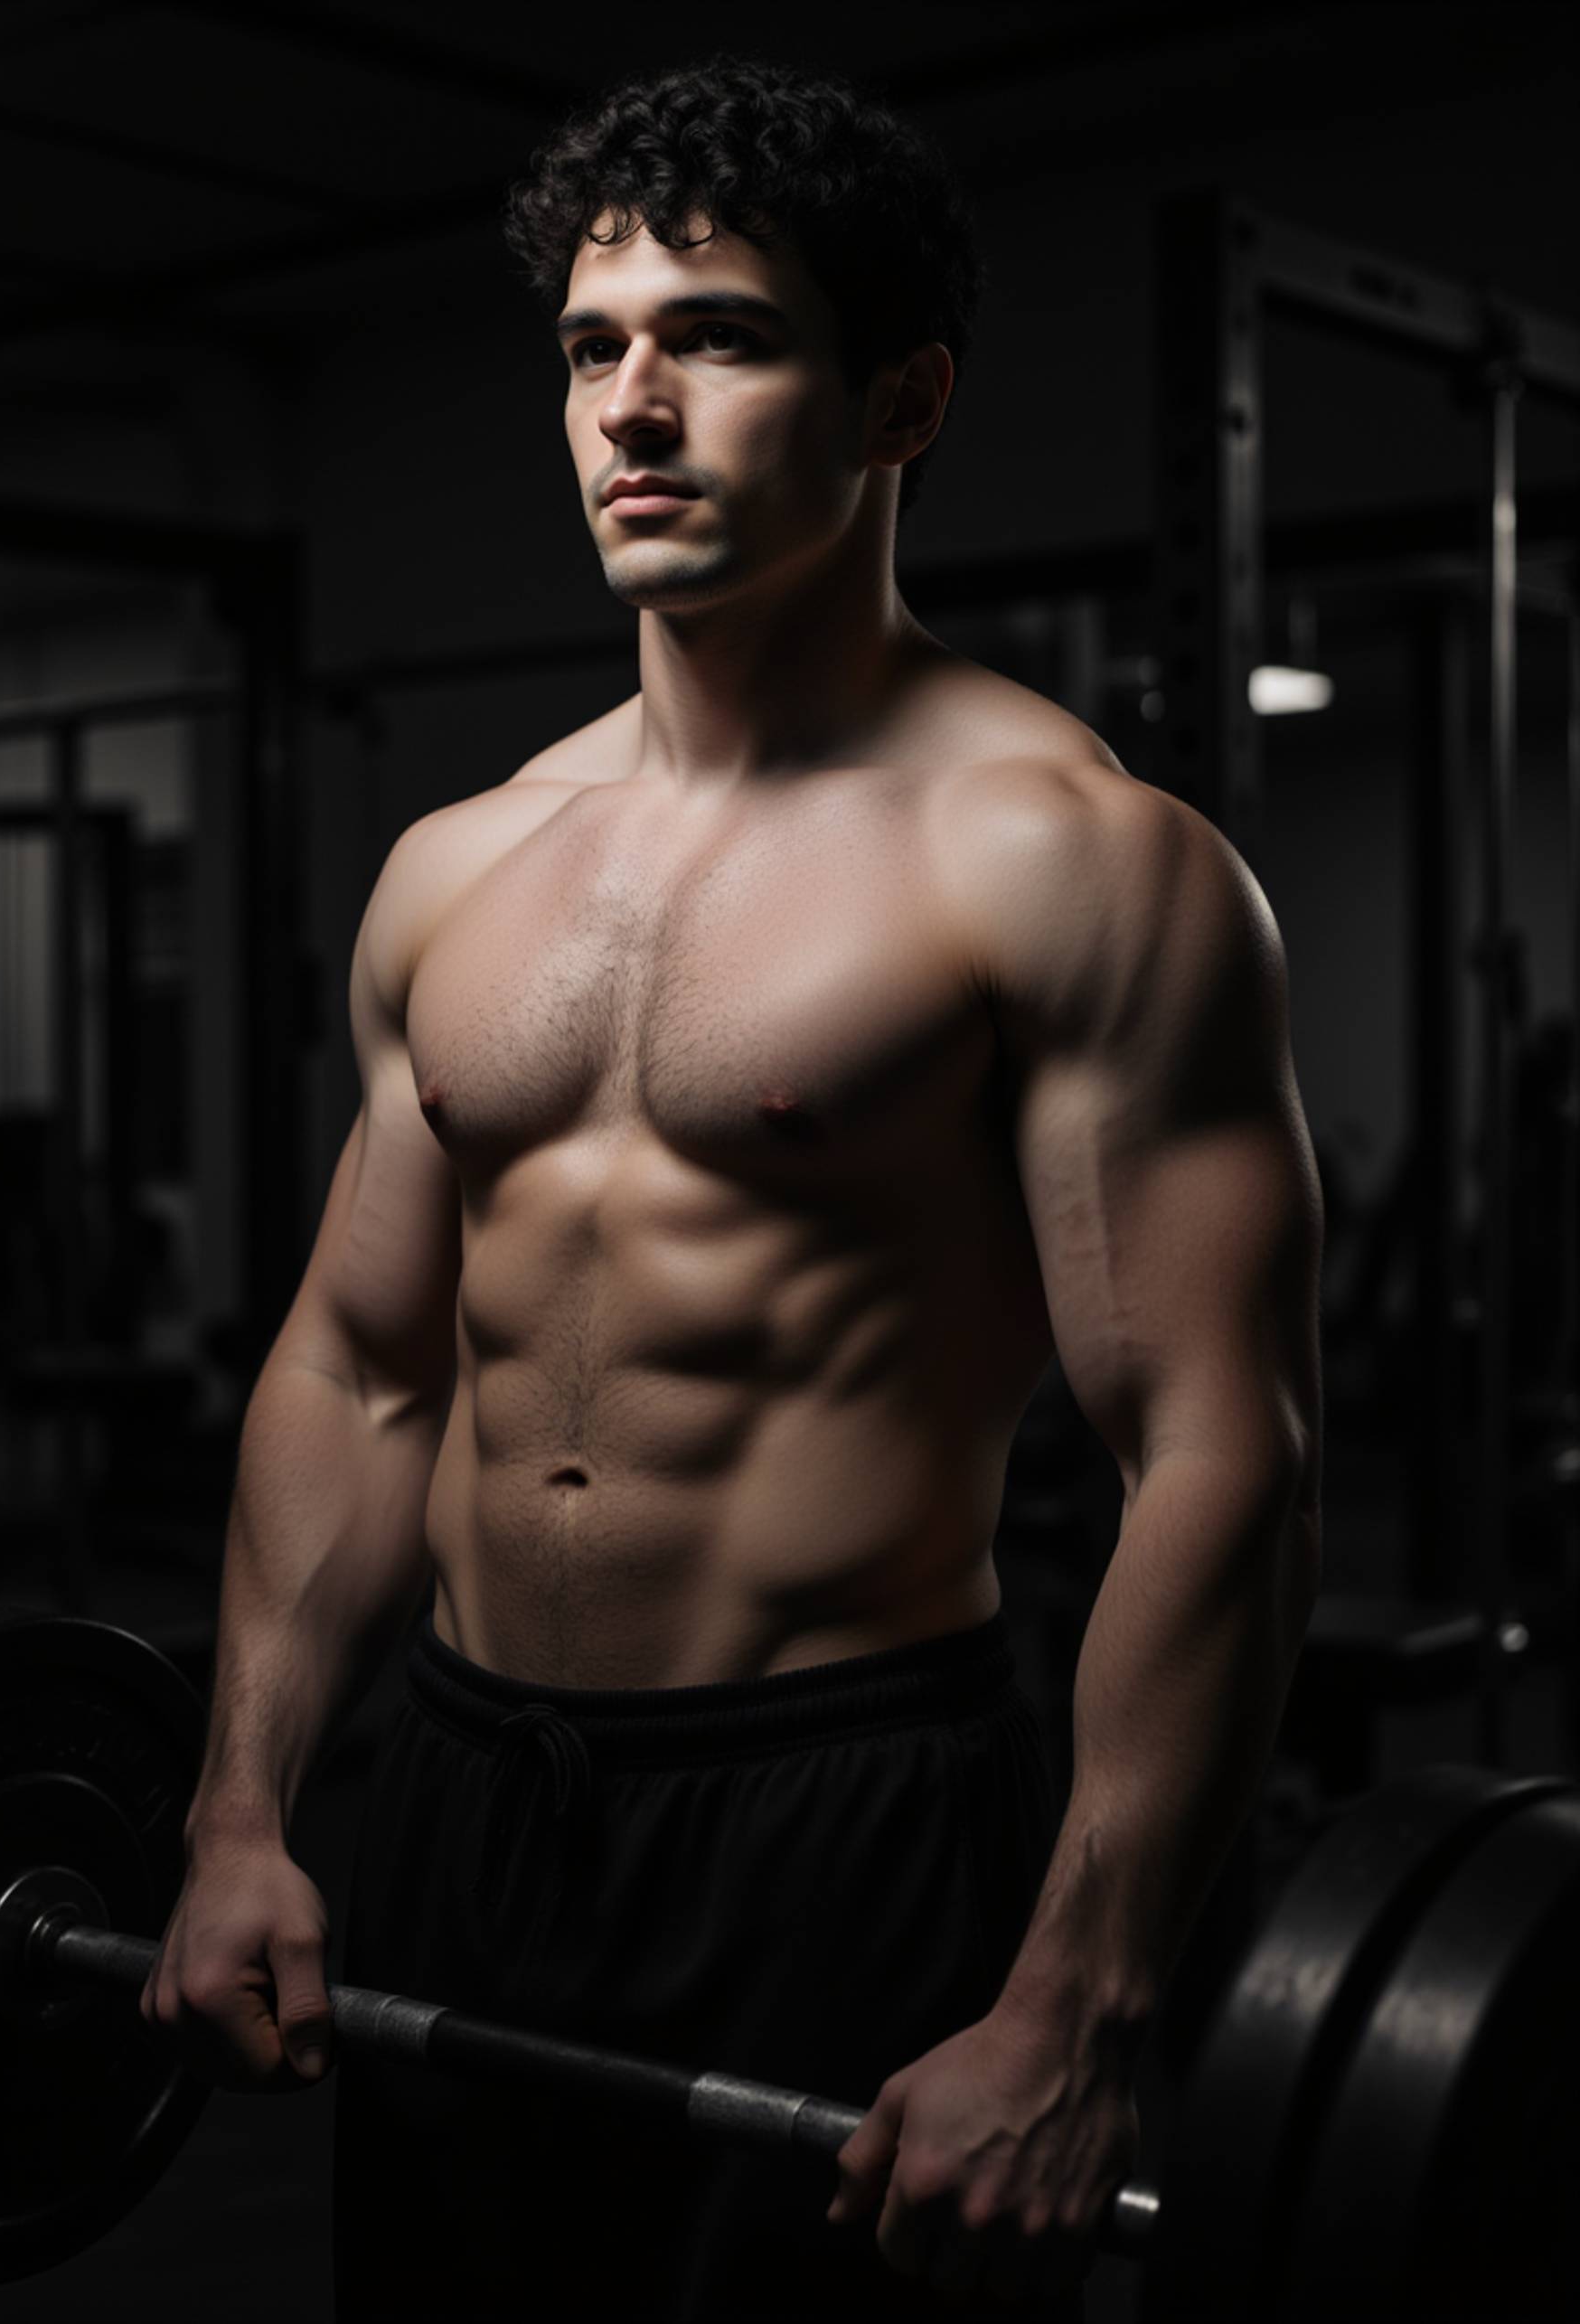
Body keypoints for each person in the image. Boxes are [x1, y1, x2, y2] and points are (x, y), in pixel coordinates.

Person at [140, 49, 1324, 2323]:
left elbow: (1216, 1448)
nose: (633, 408)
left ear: (902, 401)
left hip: (847, 1805)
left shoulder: (1067, 863)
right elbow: (361, 1368)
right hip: (466, 1793)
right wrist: (240, 1809)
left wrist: (1077, 2004)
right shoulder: (456, 868)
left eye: (723, 338)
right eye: (593, 348)